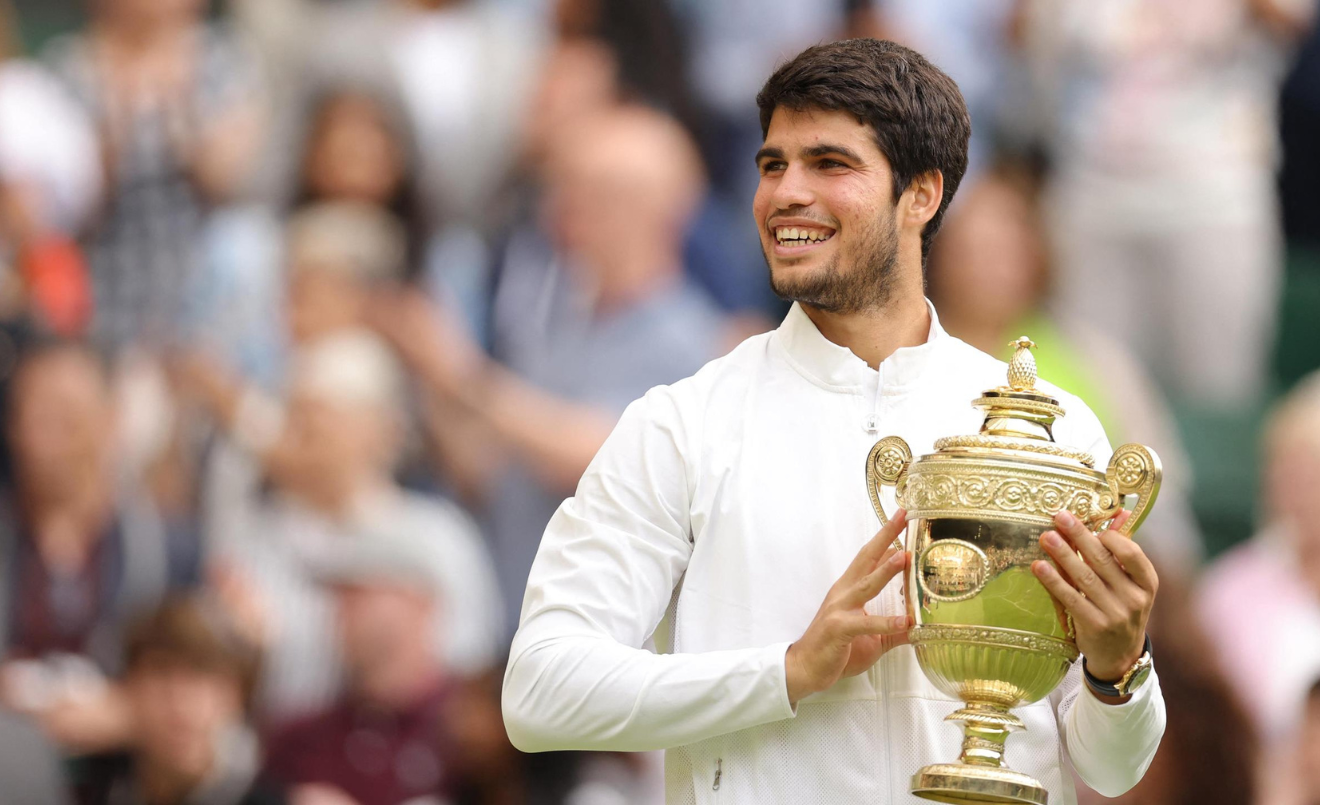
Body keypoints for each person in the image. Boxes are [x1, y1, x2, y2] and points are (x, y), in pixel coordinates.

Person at [502, 39, 1166, 803]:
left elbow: (1112, 766)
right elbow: (540, 689)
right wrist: (788, 670)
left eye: (829, 163)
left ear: (920, 194)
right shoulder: (682, 423)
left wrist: (1119, 669)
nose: (786, 192)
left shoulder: (1053, 432)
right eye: (772, 164)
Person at [373, 106, 728, 634]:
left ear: (642, 209)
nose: (559, 209)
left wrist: (460, 371)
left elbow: (596, 456)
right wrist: (424, 368)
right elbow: (488, 464)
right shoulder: (556, 323)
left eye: (584, 192)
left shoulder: (690, 342)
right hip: (512, 622)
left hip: (600, 642)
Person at [215, 331, 502, 720]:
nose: (306, 437)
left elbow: (470, 662)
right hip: (289, 750)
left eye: (324, 418)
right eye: (296, 418)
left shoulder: (436, 534)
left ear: (383, 431)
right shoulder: (256, 534)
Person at [261, 529, 468, 805]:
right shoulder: (300, 742)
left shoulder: (474, 731)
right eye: (336, 599)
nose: (339, 613)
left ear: (418, 600)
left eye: (357, 594)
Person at [74, 596, 284, 805]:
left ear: (236, 695)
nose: (180, 702)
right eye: (162, 674)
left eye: (200, 678)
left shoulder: (265, 793)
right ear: (129, 685)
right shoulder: (91, 782)